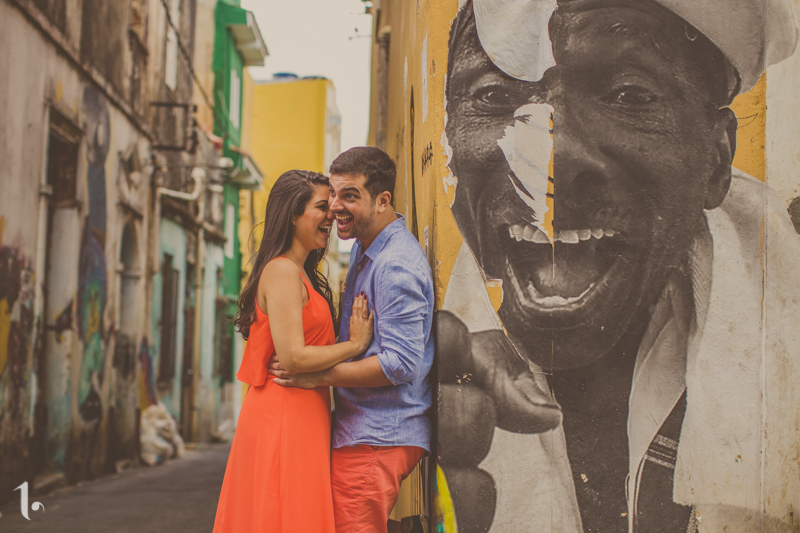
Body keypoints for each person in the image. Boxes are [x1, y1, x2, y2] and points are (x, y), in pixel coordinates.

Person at [437, 0, 800, 531]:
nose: (549, 155)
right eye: (493, 96)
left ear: (716, 159)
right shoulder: (415, 370)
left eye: (629, 95)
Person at [269, 147, 435, 533]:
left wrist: (319, 376)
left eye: (349, 196)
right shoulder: (365, 246)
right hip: (364, 431)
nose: (334, 208)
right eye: (332, 195)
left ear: (382, 201)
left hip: (377, 436)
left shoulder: (394, 266)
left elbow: (401, 365)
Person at [213, 170, 375, 533]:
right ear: (291, 214)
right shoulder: (283, 271)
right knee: (285, 515)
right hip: (284, 411)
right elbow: (293, 358)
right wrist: (354, 345)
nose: (332, 214)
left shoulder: (301, 274)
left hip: (301, 409)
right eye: (322, 206)